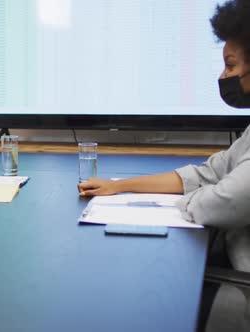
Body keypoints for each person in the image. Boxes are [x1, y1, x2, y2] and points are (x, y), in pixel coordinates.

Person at [78, 0, 250, 329]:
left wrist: (190, 200)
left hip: (238, 285)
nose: (222, 76)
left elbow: (222, 203)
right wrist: (119, 186)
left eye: (230, 66)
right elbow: (207, 174)